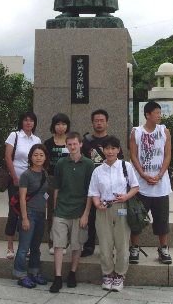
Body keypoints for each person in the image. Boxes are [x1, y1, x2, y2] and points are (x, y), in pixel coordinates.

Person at [88, 136, 139, 292]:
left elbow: (135, 186)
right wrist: (97, 204)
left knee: (123, 243)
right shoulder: (97, 170)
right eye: (107, 148)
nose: (110, 152)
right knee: (105, 244)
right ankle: (107, 274)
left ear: (118, 150)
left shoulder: (126, 166)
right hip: (103, 209)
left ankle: (120, 275)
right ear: (103, 150)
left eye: (113, 148)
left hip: (121, 208)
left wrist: (126, 197)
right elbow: (94, 192)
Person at [49, 132, 95, 293]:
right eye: (69, 144)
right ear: (66, 146)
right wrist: (54, 209)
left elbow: (91, 191)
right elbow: (57, 187)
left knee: (77, 244)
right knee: (58, 243)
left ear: (81, 144)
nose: (72, 147)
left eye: (75, 144)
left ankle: (73, 273)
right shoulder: (61, 163)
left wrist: (86, 214)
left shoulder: (89, 164)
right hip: (62, 208)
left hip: (79, 209)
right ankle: (58, 276)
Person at [129, 102, 172, 265]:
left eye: (160, 113)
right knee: (137, 218)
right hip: (141, 185)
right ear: (147, 115)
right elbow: (133, 155)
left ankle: (164, 248)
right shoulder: (136, 132)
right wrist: (143, 175)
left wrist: (160, 175)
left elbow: (167, 155)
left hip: (160, 186)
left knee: (162, 219)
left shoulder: (164, 131)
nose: (159, 115)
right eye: (156, 113)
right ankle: (134, 247)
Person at [80, 109, 124, 257]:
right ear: (92, 123)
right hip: (91, 185)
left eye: (102, 120)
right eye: (96, 120)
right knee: (91, 215)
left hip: (110, 186)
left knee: (110, 219)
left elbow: (121, 162)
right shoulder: (85, 142)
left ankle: (110, 247)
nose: (99, 123)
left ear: (107, 122)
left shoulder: (112, 141)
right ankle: (89, 244)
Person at [4, 112, 41, 259]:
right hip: (17, 180)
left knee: (29, 214)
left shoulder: (37, 139)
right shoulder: (14, 136)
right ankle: (10, 246)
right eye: (26, 120)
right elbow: (8, 157)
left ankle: (26, 246)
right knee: (14, 211)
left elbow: (39, 159)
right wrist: (14, 177)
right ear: (21, 122)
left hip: (32, 183)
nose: (28, 123)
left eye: (31, 120)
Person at [13, 144, 49, 288]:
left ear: (45, 157)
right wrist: (25, 218)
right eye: (35, 155)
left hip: (41, 214)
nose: (38, 158)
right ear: (30, 157)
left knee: (36, 246)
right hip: (29, 214)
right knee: (24, 247)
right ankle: (21, 275)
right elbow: (22, 197)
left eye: (41, 155)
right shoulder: (26, 175)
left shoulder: (44, 174)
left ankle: (34, 272)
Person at [43, 113, 71, 254]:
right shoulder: (47, 144)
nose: (61, 127)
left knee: (66, 213)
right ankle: (52, 242)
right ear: (53, 126)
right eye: (58, 124)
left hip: (68, 180)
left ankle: (64, 242)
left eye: (64, 124)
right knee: (52, 212)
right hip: (52, 180)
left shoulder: (71, 142)